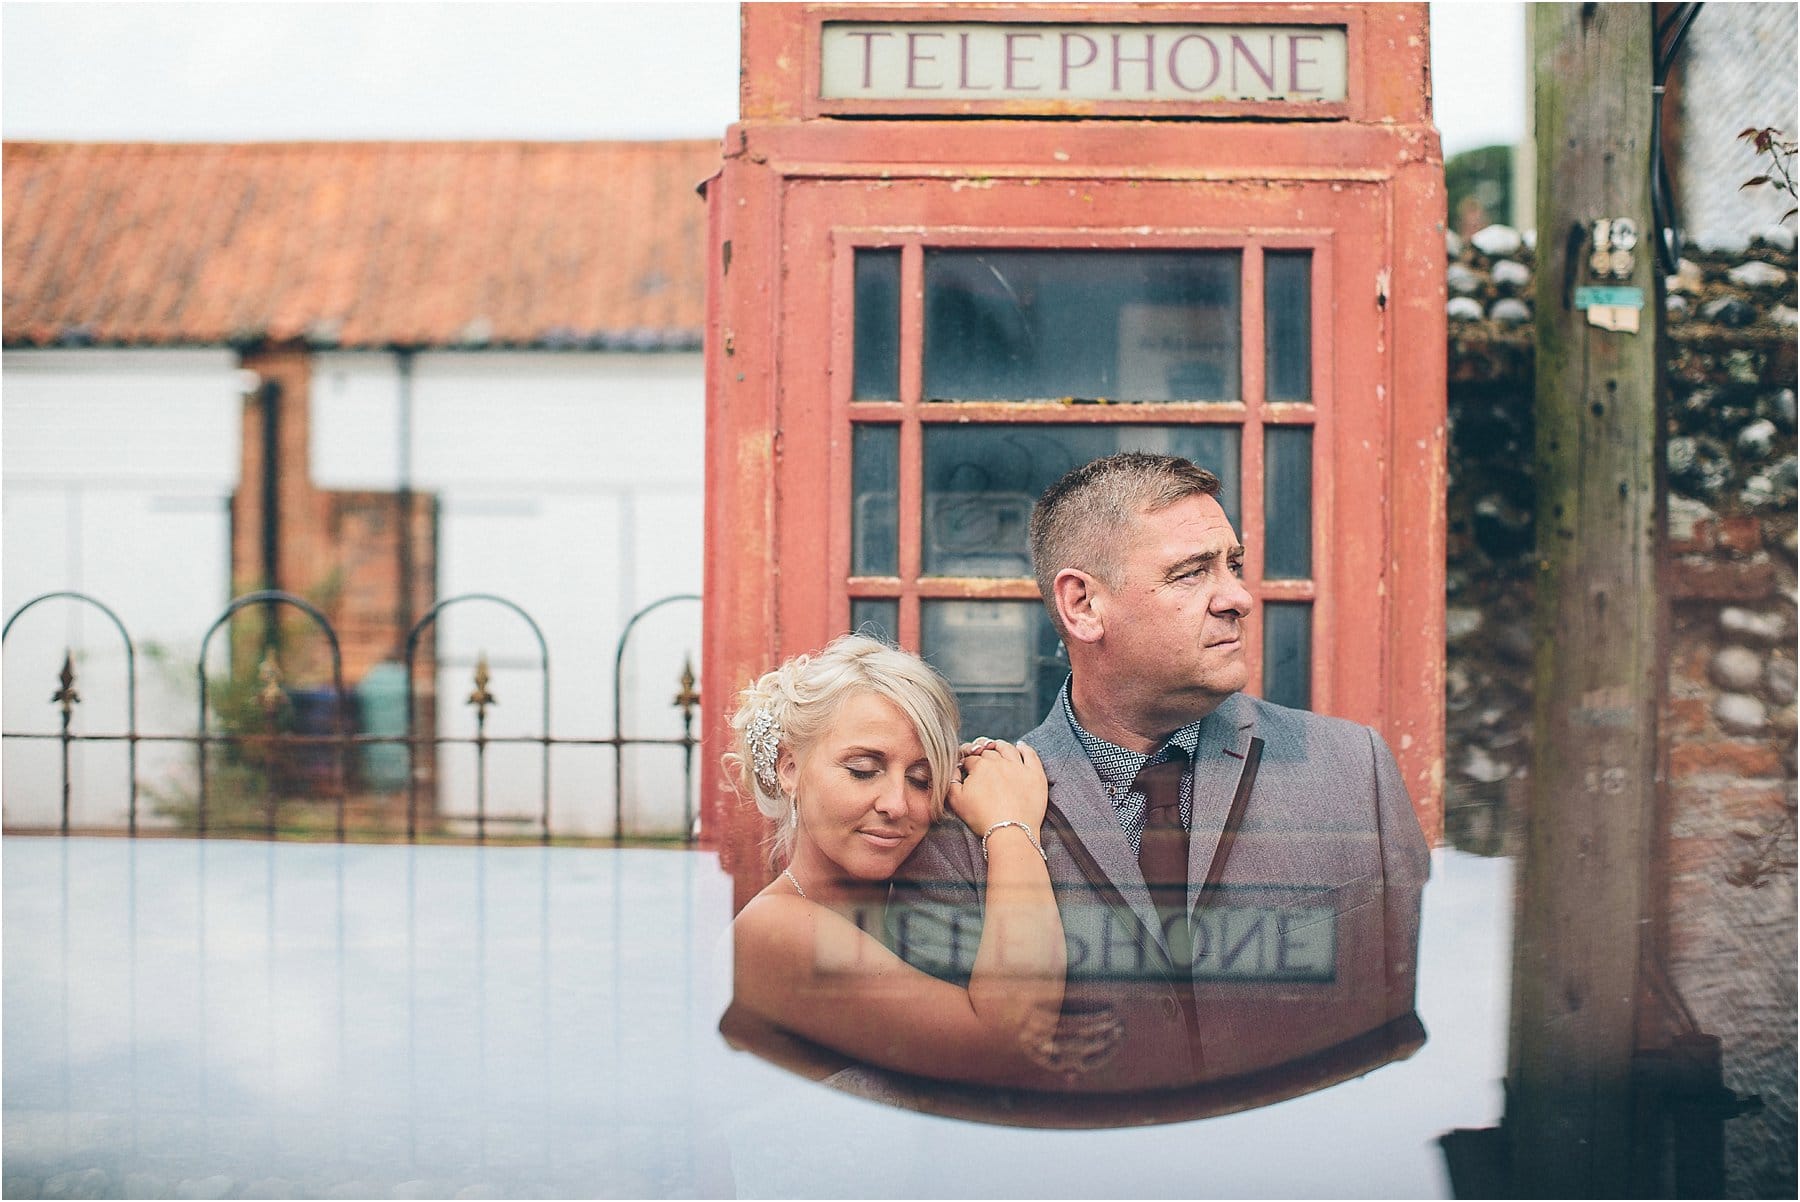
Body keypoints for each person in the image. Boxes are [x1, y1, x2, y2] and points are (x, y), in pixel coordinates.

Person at [889, 452, 1432, 1092]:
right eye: (1190, 573)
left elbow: (1417, 1031)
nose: (1238, 597)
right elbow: (932, 1088)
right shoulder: (968, 821)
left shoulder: (1354, 770)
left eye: (1233, 565)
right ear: (1083, 605)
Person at [723, 633, 1118, 1086]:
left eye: (920, 779)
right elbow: (1008, 1048)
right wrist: (1010, 825)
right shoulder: (773, 931)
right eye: (863, 771)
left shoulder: (912, 898)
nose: (897, 804)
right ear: (789, 768)